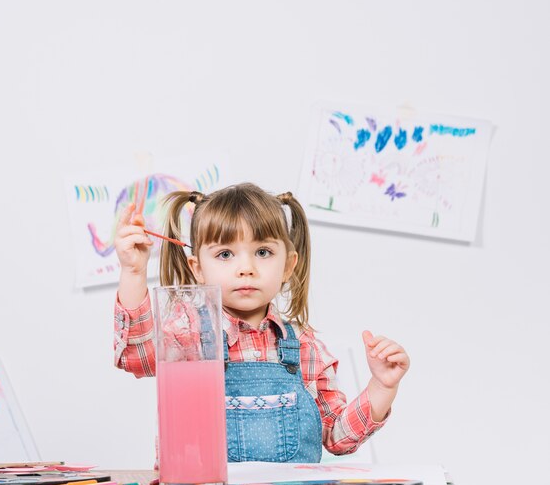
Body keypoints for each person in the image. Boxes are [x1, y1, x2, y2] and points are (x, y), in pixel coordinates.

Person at [113, 183, 410, 462]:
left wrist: (381, 387)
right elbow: (136, 358)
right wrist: (134, 273)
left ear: (288, 265)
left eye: (263, 252)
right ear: (198, 269)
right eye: (225, 254)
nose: (246, 268)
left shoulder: (305, 347)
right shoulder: (188, 332)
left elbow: (337, 437)